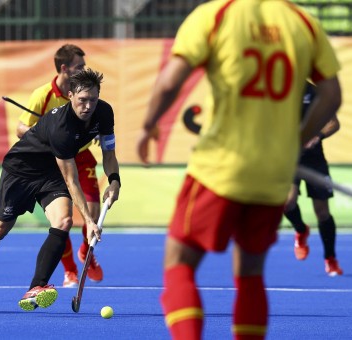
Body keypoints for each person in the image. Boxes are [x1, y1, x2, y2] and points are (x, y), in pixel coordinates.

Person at [136, 2, 341, 339]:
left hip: (221, 168)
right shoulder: (303, 21)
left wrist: (148, 125)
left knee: (179, 262)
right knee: (250, 273)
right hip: (272, 174)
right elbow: (332, 95)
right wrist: (297, 141)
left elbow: (171, 80)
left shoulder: (215, 14)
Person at [0, 69, 121, 311]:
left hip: (50, 173)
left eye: (93, 100)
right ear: (70, 96)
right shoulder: (62, 128)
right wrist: (89, 222)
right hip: (21, 170)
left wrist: (115, 180)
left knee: (64, 220)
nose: (88, 106)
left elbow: (108, 152)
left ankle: (37, 286)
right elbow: (71, 180)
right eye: (82, 100)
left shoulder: (104, 113)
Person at [16, 43, 104, 288]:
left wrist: (94, 131)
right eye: (79, 66)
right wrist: (44, 130)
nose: (84, 69)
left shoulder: (85, 91)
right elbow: (20, 129)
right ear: (64, 68)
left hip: (83, 156)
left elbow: (94, 117)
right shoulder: (43, 95)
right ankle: (70, 272)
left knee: (94, 210)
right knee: (62, 219)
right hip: (56, 160)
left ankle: (86, 251)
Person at [286, 82, 343, 276]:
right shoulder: (275, 92)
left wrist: (317, 136)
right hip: (288, 160)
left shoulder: (315, 92)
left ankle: (330, 258)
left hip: (314, 161)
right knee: (287, 202)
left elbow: (333, 123)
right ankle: (301, 230)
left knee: (322, 213)